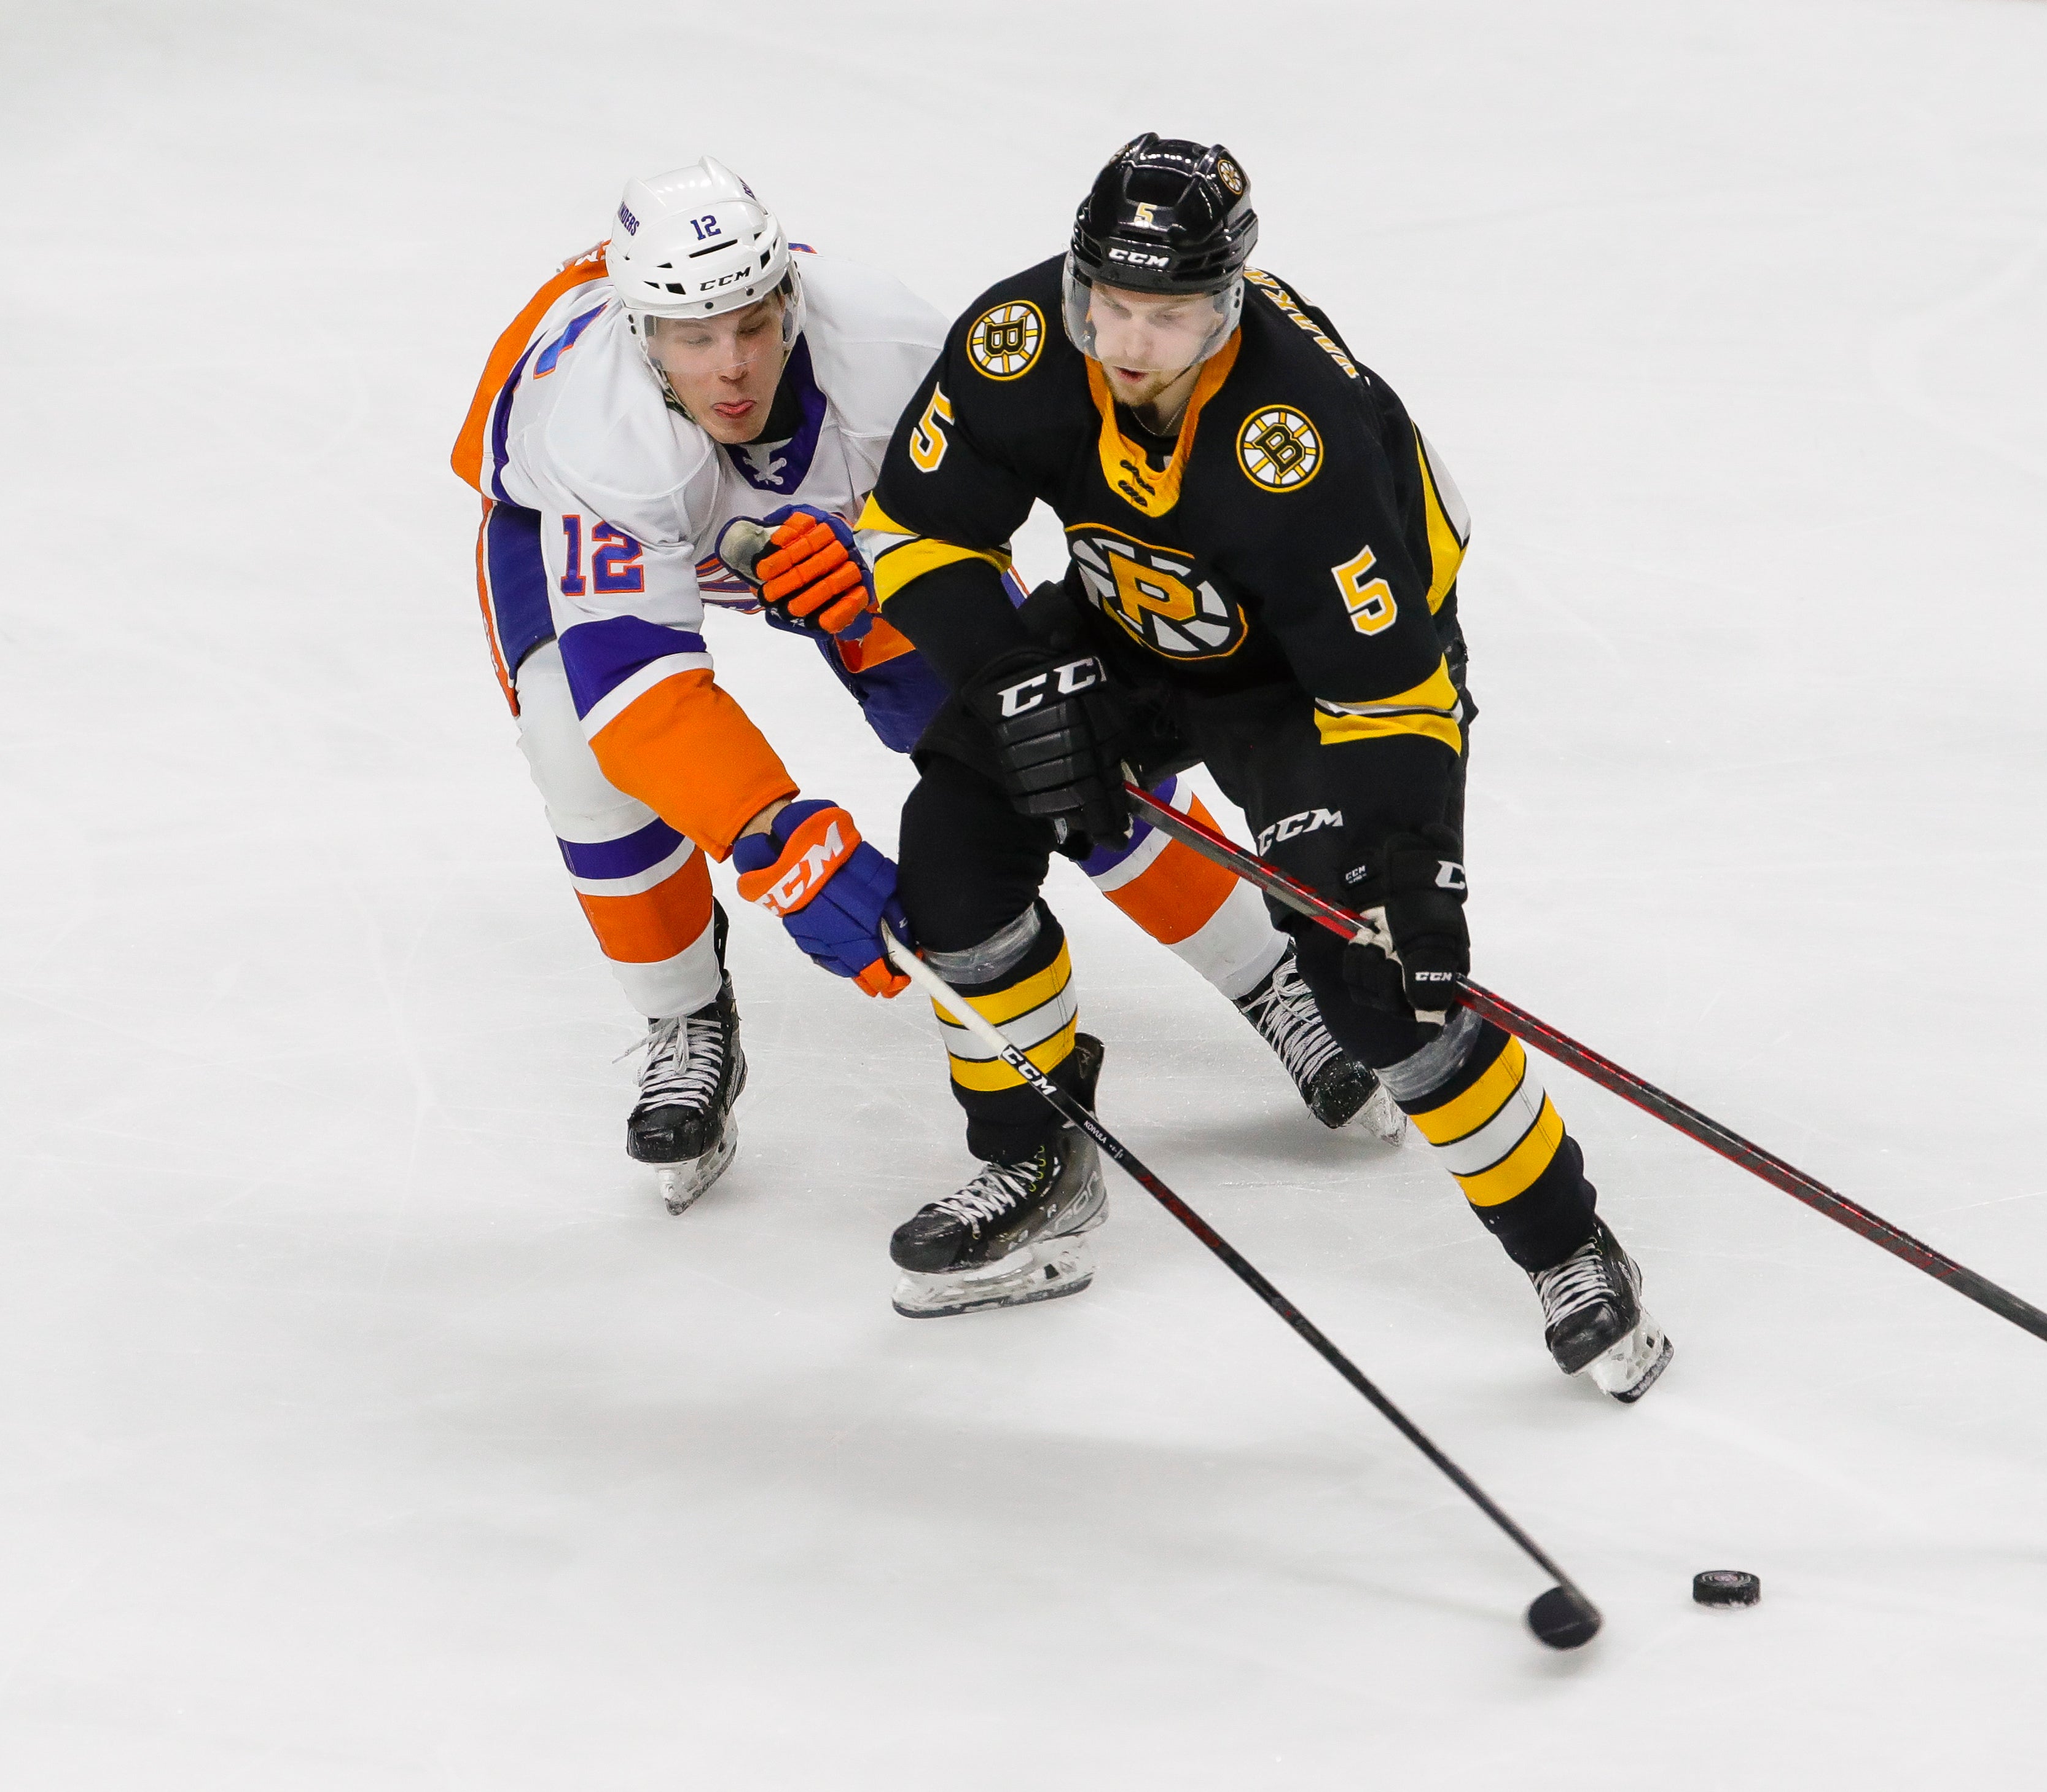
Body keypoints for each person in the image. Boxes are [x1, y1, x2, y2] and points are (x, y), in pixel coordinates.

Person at [852, 134, 1672, 1400]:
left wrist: (1415, 871)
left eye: (1166, 317)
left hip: (1310, 686)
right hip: (1126, 623)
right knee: (951, 866)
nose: (1126, 344)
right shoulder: (1021, 339)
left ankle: (1568, 1246)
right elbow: (910, 528)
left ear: (1225, 304)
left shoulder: (1302, 436)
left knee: (1375, 985)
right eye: (1107, 304)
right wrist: (1010, 673)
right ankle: (1037, 1159)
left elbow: (1391, 690)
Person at [448, 157, 1393, 1215]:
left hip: (846, 519)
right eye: (693, 338)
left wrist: (871, 561)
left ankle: (1271, 976)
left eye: (753, 327)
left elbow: (984, 532)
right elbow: (638, 697)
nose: (731, 369)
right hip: (561, 522)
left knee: (1041, 725)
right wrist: (778, 839)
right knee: (581, 757)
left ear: (790, 300)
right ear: (642, 338)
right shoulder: (596, 428)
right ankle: (685, 1011)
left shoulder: (888, 349)